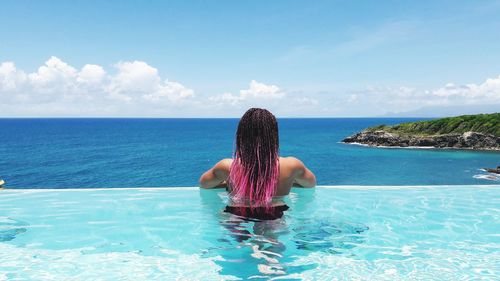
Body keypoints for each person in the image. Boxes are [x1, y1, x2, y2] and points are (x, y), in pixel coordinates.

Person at [199, 108, 316, 220]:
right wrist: (288, 182)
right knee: (272, 238)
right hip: (275, 213)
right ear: (274, 136)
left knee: (234, 237)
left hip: (236, 213)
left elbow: (205, 184)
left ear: (241, 135)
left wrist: (228, 184)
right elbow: (310, 184)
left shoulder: (227, 167)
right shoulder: (292, 165)